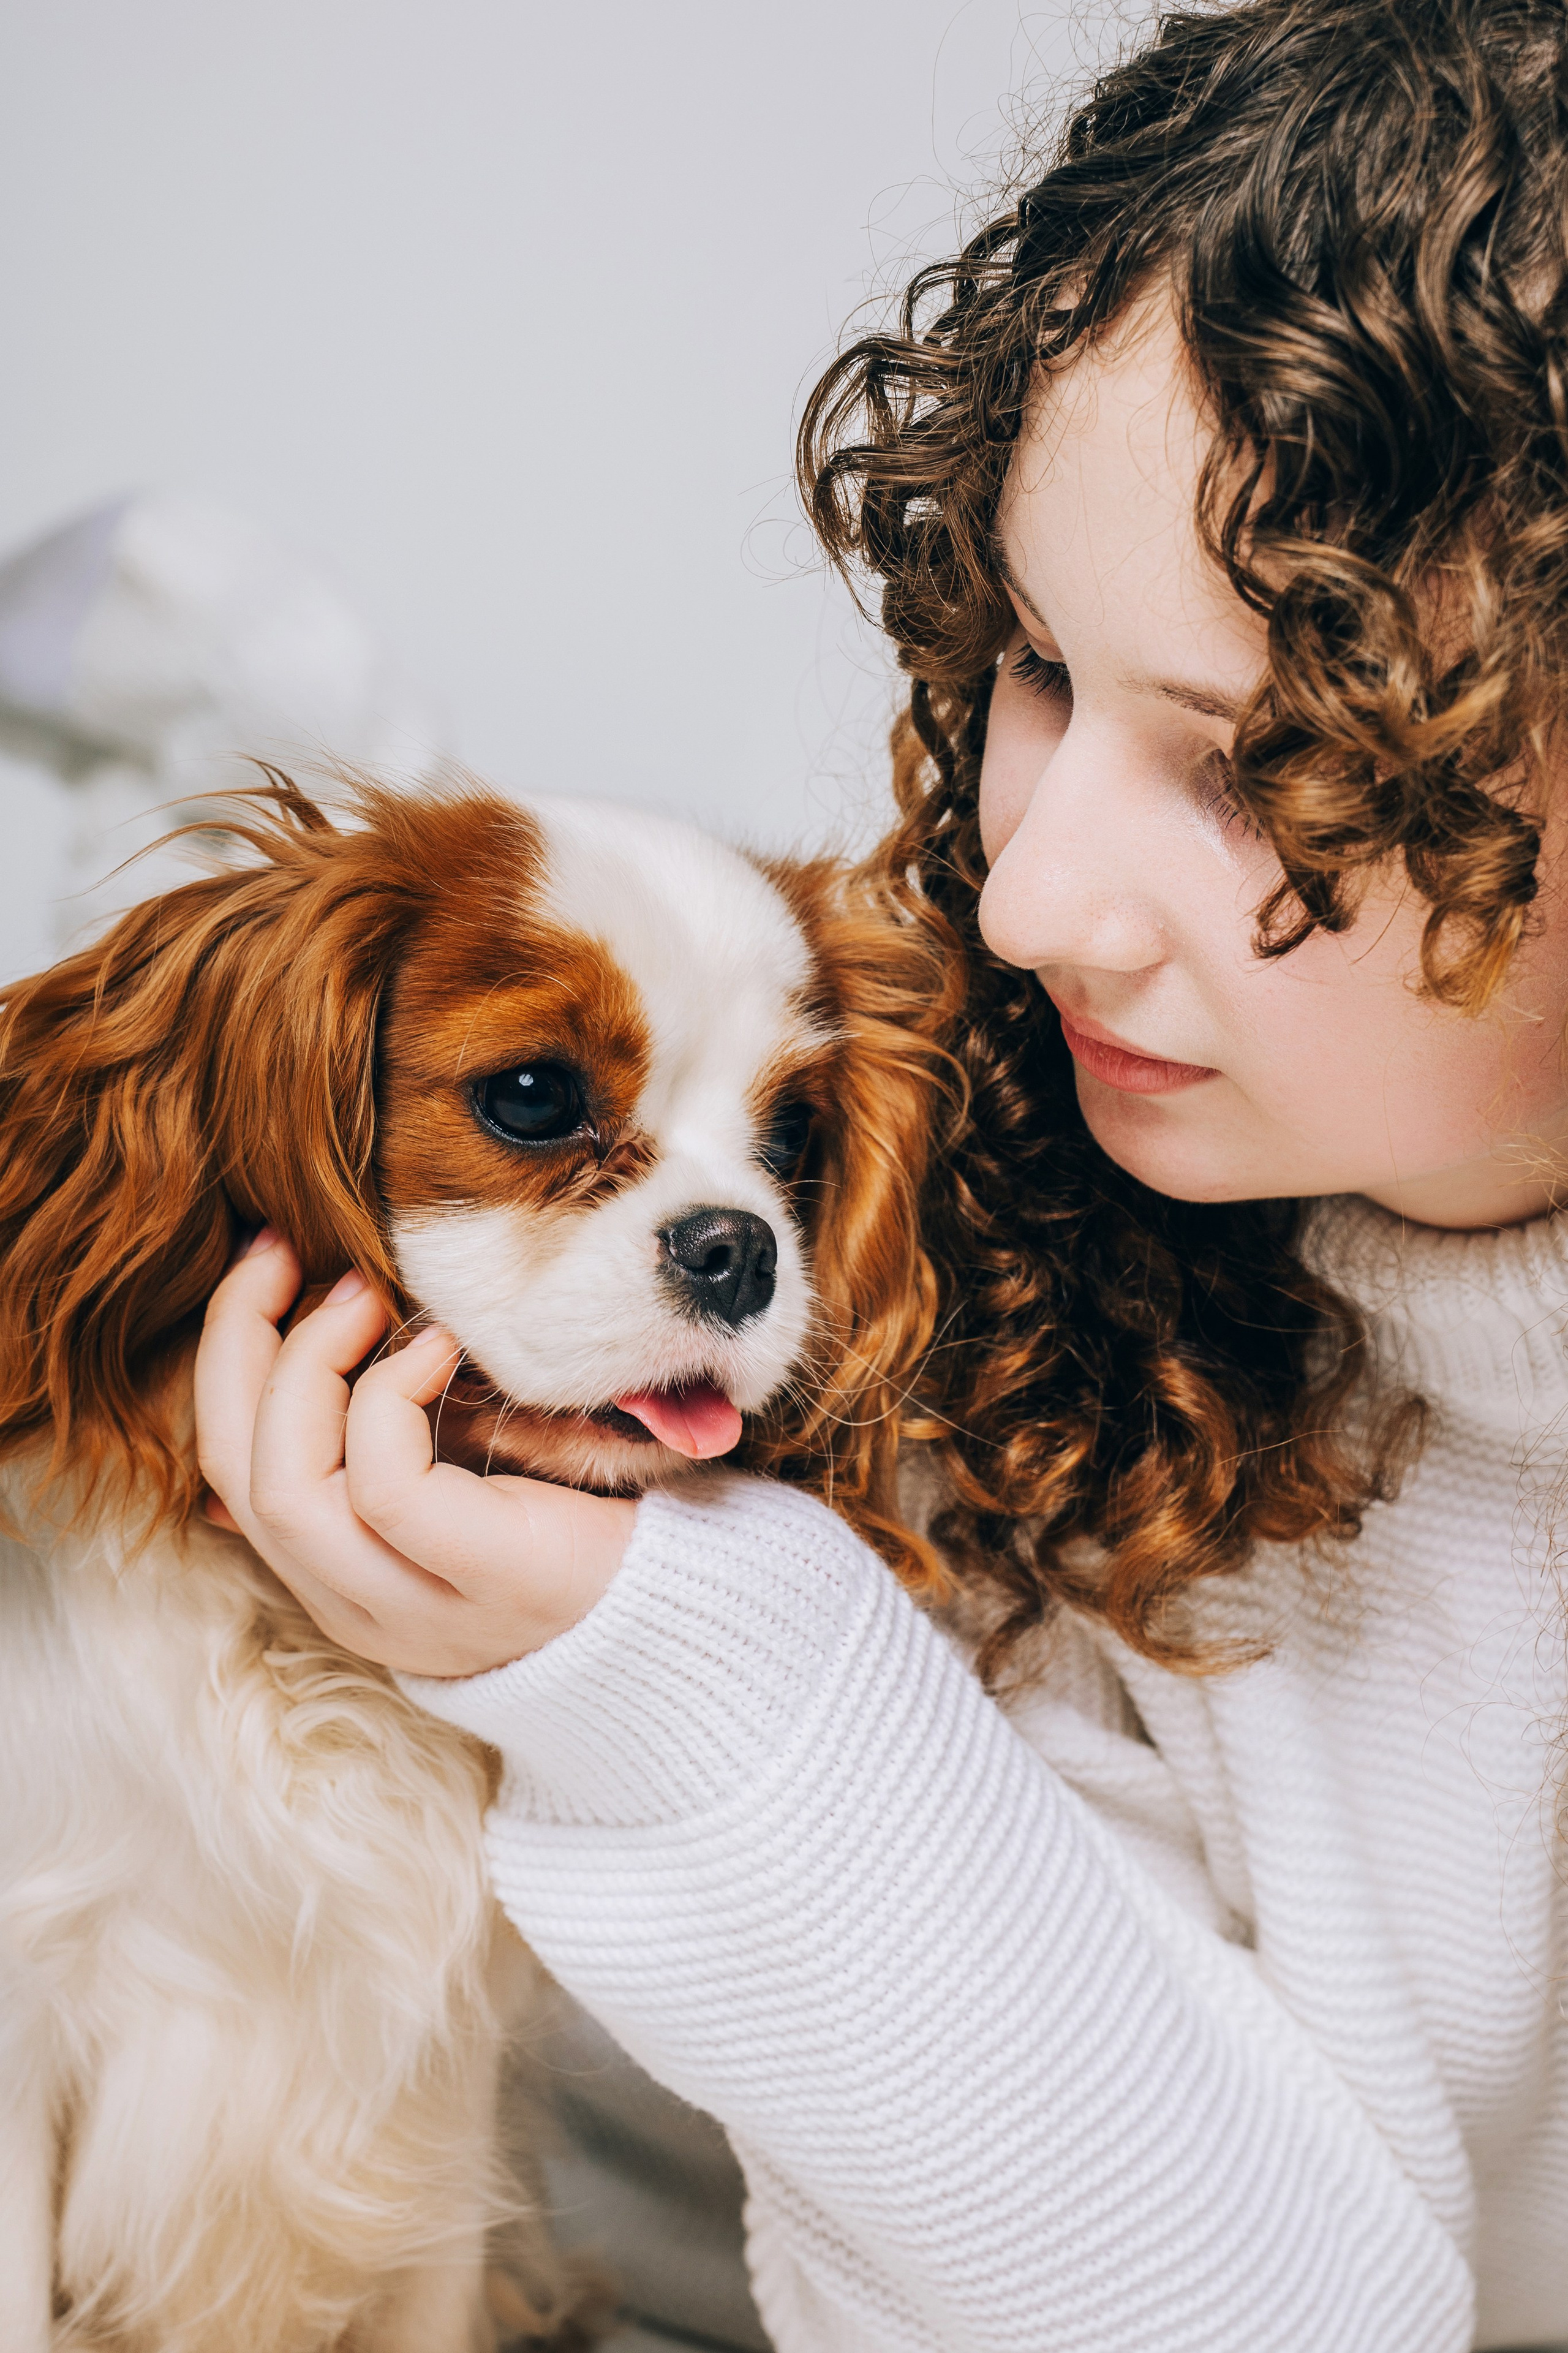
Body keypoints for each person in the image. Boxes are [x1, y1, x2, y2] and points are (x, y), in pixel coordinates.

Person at [196, 2, 1568, 2344]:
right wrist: (696, 1662)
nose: (1022, 901)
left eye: (1263, 766)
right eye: (1033, 663)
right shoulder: (1048, 1314)